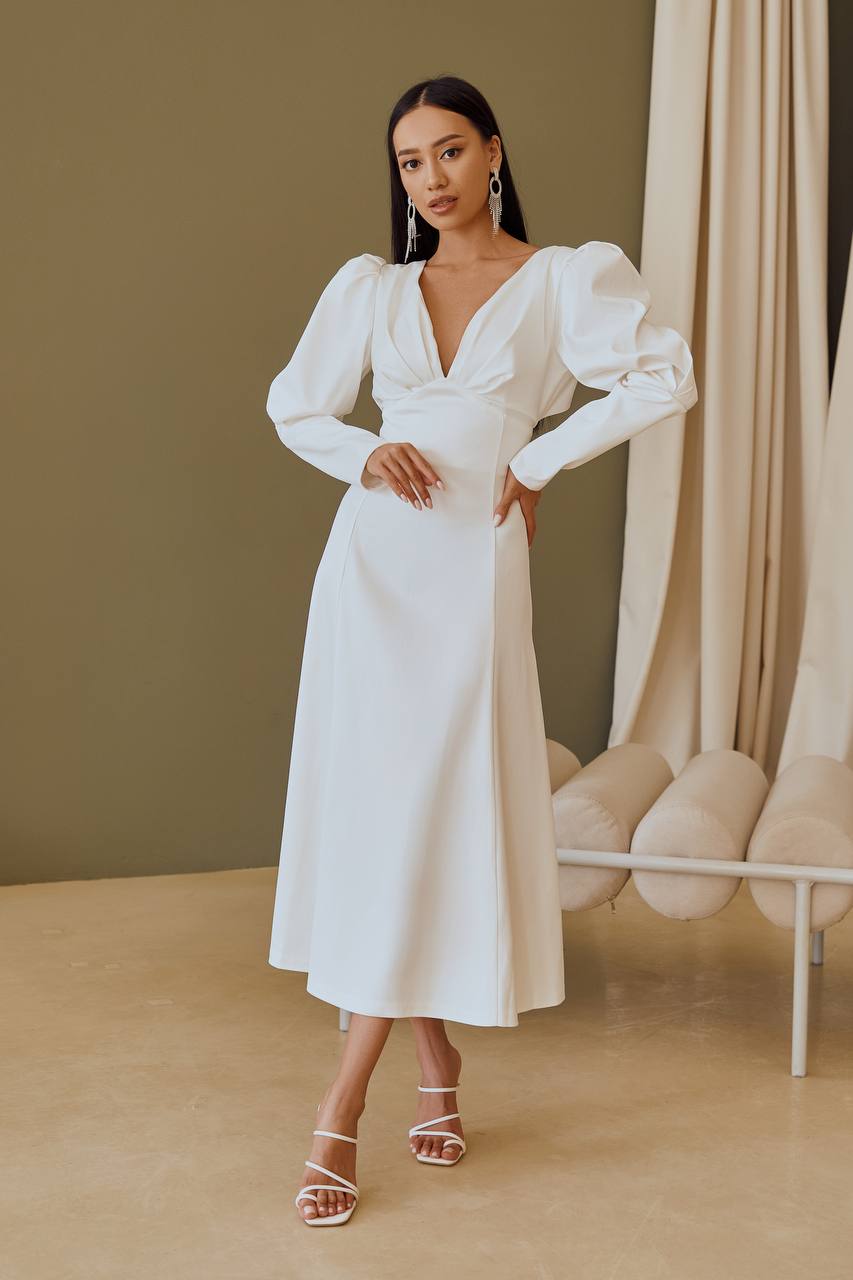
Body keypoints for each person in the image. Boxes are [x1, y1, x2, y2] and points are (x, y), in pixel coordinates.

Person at [264, 75, 698, 1226]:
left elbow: (665, 373)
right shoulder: (373, 288)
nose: (431, 177)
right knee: (390, 813)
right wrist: (362, 453)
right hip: (373, 567)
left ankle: (342, 1101)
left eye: (450, 150)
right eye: (410, 161)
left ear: (493, 152)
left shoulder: (561, 279)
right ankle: (429, 1063)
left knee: (431, 804)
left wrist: (539, 461)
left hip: (471, 565)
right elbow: (295, 405)